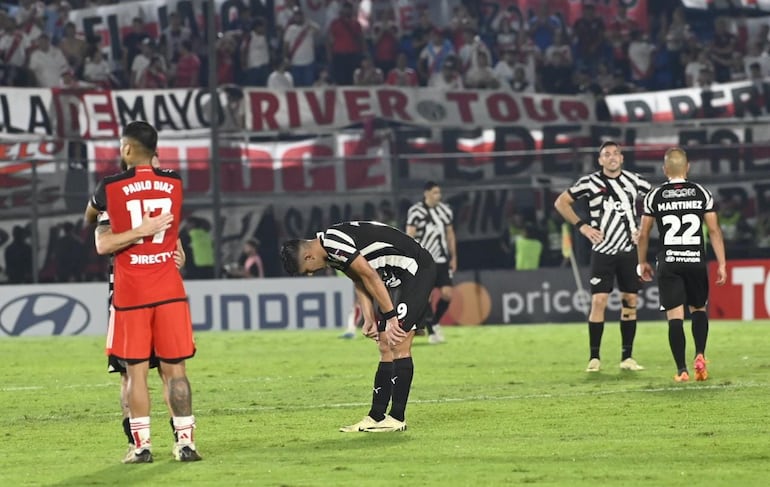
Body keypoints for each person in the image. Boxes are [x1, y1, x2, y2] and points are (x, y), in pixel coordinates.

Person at [84, 121, 201, 463]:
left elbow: (99, 235)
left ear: (126, 149)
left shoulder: (111, 187)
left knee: (134, 372)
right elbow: (170, 222)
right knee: (175, 370)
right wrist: (168, 241)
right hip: (169, 287)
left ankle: (141, 446)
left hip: (132, 292)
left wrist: (138, 231)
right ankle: (186, 443)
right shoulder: (174, 182)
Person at [280, 221, 437, 432]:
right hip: (394, 275)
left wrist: (391, 318)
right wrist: (368, 317)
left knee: (398, 342)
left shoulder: (334, 244)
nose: (310, 274)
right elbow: (358, 279)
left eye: (306, 270)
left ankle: (397, 418)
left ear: (308, 256)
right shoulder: (329, 252)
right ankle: (376, 417)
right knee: (384, 346)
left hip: (415, 269)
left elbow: (370, 275)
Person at [96, 155, 188, 457]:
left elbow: (176, 247)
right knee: (146, 372)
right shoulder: (116, 197)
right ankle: (156, 443)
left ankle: (158, 443)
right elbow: (104, 243)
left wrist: (179, 256)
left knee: (147, 372)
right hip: (132, 291)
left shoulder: (150, 197)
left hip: (139, 294)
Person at [554, 140, 651, 373]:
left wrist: (644, 230)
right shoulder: (589, 182)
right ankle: (594, 357)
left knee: (630, 301)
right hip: (602, 252)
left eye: (615, 153)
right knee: (599, 301)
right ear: (600, 160)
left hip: (629, 251)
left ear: (622, 158)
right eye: (606, 154)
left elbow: (655, 202)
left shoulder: (634, 180)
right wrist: (583, 227)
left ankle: (627, 357)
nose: (611, 157)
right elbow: (561, 202)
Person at [637, 147, 727, 382]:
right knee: (698, 309)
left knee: (674, 316)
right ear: (687, 168)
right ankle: (700, 355)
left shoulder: (654, 196)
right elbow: (715, 230)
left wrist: (641, 262)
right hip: (695, 261)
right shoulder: (701, 192)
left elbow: (644, 233)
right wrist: (722, 264)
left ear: (665, 169)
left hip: (670, 262)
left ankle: (681, 370)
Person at [406, 181, 457, 344]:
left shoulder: (445, 211)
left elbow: (450, 235)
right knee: (425, 297)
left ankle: (434, 322)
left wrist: (454, 256)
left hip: (442, 260)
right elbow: (410, 236)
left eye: (439, 193)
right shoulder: (415, 212)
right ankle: (432, 330)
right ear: (426, 193)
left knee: (447, 294)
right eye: (435, 193)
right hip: (424, 261)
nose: (438, 196)